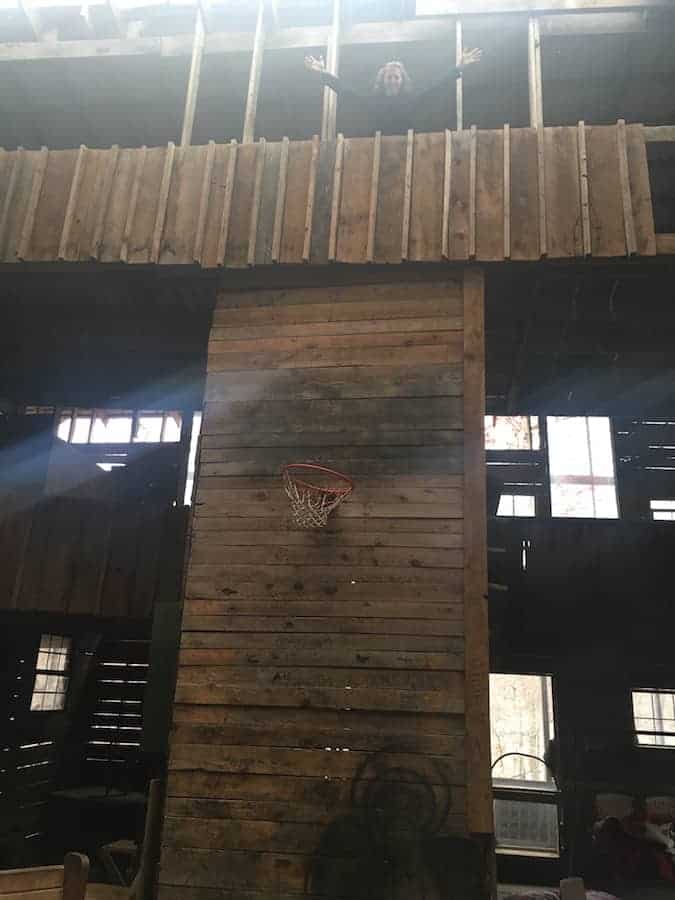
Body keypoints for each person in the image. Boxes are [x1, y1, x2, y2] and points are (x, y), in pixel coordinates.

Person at [304, 49, 482, 136]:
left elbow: (436, 87)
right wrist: (324, 74)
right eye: (389, 77)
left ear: (402, 80)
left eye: (396, 77)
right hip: (378, 148)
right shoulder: (373, 101)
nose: (393, 80)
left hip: (407, 146)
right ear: (382, 80)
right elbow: (346, 91)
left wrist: (459, 68)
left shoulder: (411, 99)